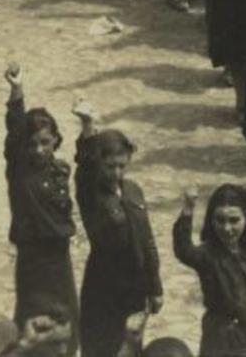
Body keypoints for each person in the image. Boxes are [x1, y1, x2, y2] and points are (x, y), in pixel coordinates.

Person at [73, 107, 163, 357]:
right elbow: (85, 170)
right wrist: (88, 128)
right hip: (103, 287)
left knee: (132, 348)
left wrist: (155, 288)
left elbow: (148, 242)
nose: (116, 173)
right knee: (102, 348)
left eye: (122, 165)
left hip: (136, 289)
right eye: (110, 166)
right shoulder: (92, 195)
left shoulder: (134, 191)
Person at [3, 65, 78, 333]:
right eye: (33, 143)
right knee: (32, 319)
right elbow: (15, 132)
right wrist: (17, 90)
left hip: (59, 255)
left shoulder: (60, 170)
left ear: (56, 139)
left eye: (45, 142)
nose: (38, 149)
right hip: (32, 256)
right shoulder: (20, 169)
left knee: (67, 318)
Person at [172, 183, 246, 355]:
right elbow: (183, 250)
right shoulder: (207, 254)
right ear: (211, 220)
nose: (227, 228)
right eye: (219, 220)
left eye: (234, 220)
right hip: (220, 336)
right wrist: (188, 209)